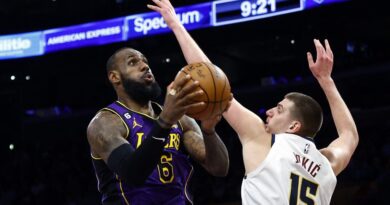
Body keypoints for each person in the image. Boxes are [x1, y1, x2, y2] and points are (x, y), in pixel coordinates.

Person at [86, 1, 230, 204]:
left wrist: (208, 131)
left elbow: (219, 168)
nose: (145, 65)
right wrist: (164, 122)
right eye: (133, 62)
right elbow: (133, 174)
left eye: (144, 60)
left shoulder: (182, 120)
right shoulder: (106, 123)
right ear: (115, 77)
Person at [222, 39, 359, 204]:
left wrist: (180, 28)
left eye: (279, 109)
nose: (268, 112)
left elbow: (215, 85)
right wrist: (326, 81)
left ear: (294, 126)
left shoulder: (266, 142)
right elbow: (349, 135)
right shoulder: (327, 163)